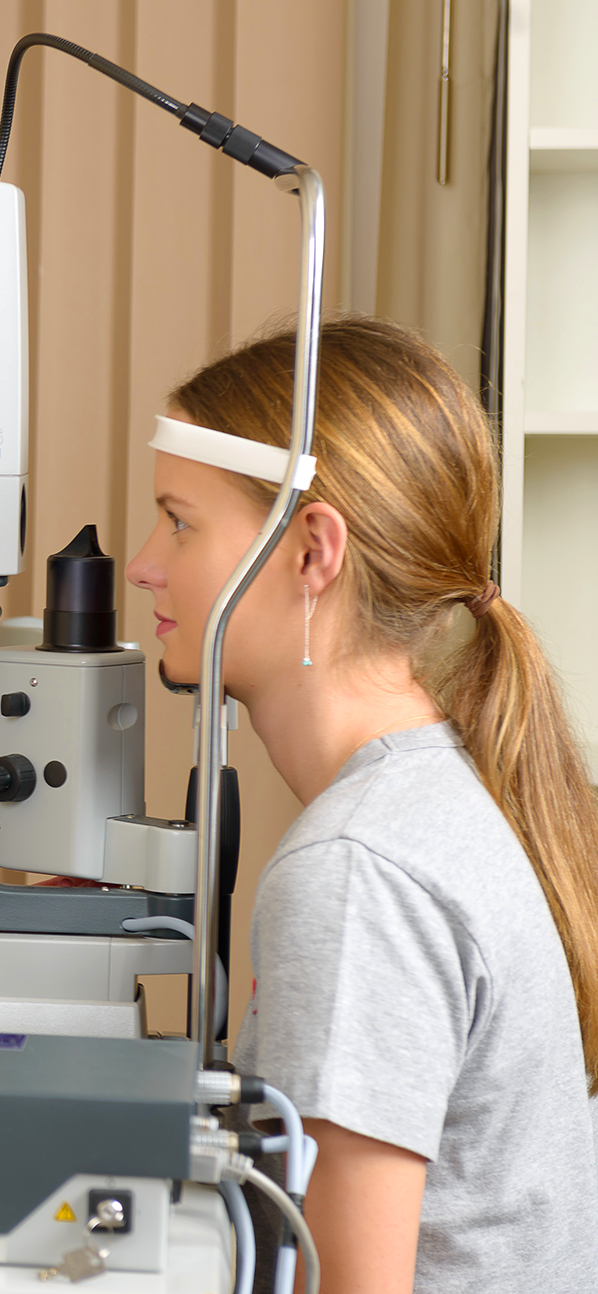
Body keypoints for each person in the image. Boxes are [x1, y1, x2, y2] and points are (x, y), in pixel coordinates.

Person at [126, 316, 598, 1292]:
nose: (143, 562)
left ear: (312, 552)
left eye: (178, 521)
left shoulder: (357, 869)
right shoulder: (439, 793)